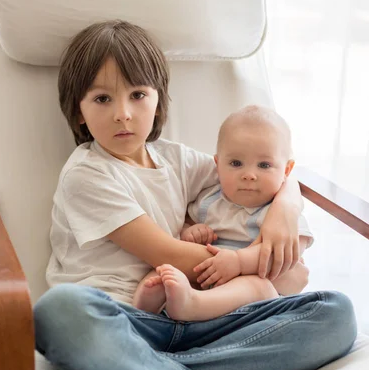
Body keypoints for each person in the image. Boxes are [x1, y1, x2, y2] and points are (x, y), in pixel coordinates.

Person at [33, 20, 357, 370]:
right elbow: (166, 253)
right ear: (78, 112)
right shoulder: (85, 174)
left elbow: (256, 173)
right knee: (58, 312)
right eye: (103, 99)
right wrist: (260, 267)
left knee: (335, 314)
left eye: (137, 94)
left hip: (209, 318)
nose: (123, 113)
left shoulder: (177, 160)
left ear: (158, 100)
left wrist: (286, 205)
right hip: (129, 322)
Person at [132, 105, 315, 322]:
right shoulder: (209, 200)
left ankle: (192, 305)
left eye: (264, 165)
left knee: (256, 286)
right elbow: (186, 222)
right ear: (217, 165)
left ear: (286, 170)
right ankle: (143, 309)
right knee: (166, 273)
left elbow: (285, 254)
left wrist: (239, 261)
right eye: (236, 163)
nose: (249, 175)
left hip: (253, 301)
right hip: (208, 278)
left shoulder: (279, 214)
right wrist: (191, 231)